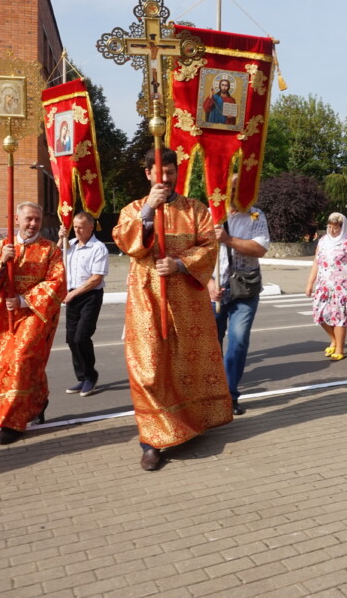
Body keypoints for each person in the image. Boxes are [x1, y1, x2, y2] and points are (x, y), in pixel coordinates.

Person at [113, 148, 232, 471]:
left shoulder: (196, 210)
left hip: (187, 305)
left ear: (177, 173)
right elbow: (126, 242)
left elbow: (210, 246)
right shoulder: (133, 209)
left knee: (184, 366)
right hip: (147, 302)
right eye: (158, 172)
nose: (164, 178)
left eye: (170, 172)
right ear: (148, 174)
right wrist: (150, 210)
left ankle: (188, 425)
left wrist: (180, 264)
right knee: (149, 370)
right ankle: (151, 442)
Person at [0, 202, 66, 445]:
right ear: (17, 219)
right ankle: (35, 403)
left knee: (20, 358)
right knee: (0, 362)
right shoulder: (2, 247)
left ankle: (14, 422)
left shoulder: (50, 250)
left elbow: (58, 282)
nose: (33, 224)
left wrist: (24, 299)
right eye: (28, 219)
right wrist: (2, 262)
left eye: (37, 219)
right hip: (4, 312)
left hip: (35, 312)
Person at [209, 182, 270, 415]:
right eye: (230, 189)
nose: (235, 194)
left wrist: (228, 239)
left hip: (244, 291)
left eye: (239, 189)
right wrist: (208, 284)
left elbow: (260, 248)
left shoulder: (256, 215)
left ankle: (230, 395)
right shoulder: (210, 214)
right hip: (215, 290)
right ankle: (212, 392)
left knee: (238, 342)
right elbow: (197, 253)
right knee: (211, 345)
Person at [59, 212, 108, 398]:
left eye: (81, 227)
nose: (77, 231)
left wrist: (73, 293)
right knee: (71, 339)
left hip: (90, 295)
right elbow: (55, 258)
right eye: (75, 227)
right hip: (71, 295)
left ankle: (91, 376)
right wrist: (60, 238)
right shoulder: (69, 245)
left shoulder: (98, 248)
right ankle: (82, 376)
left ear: (90, 227)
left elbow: (96, 279)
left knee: (81, 337)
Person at [306, 213, 347, 361]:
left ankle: (339, 348)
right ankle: (334, 339)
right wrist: (310, 283)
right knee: (320, 315)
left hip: (341, 286)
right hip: (323, 285)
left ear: (342, 227)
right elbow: (316, 262)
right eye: (330, 227)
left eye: (335, 228)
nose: (332, 230)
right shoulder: (323, 241)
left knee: (338, 318)